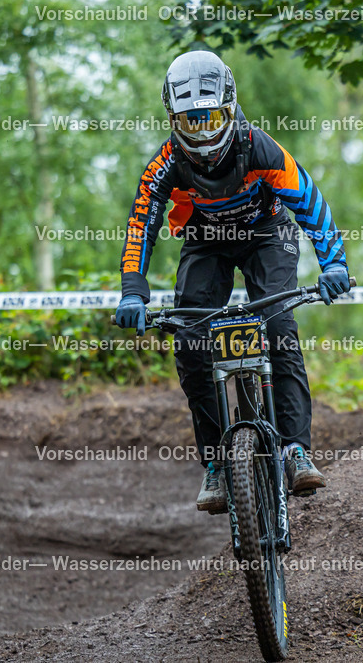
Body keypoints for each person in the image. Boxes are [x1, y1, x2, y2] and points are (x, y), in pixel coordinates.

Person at [115, 50, 351, 513]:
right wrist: (132, 290)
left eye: (212, 119)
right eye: (191, 122)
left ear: (230, 108)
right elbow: (141, 220)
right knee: (189, 341)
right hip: (207, 238)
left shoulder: (259, 147)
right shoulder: (166, 161)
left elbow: (310, 203)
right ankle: (219, 464)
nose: (202, 133)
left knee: (280, 329)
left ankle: (294, 450)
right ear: (173, 119)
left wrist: (334, 264)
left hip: (267, 232)